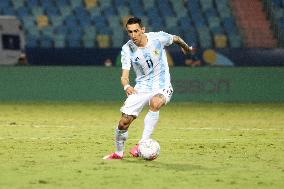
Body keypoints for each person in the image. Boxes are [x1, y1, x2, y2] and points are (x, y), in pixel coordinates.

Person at [103, 17, 194, 160]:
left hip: (162, 85)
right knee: (123, 123)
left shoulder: (157, 38)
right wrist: (127, 86)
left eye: (136, 31)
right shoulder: (127, 49)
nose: (133, 35)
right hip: (141, 87)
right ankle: (118, 153)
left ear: (143, 30)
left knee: (155, 103)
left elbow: (176, 38)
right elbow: (124, 75)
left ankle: (142, 143)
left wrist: (186, 47)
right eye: (130, 32)